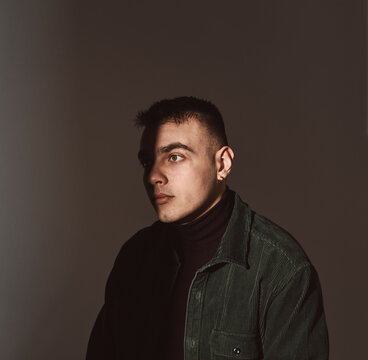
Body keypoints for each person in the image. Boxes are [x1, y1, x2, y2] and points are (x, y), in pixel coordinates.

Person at [86, 96, 329, 359]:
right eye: (147, 162)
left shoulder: (281, 269)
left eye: (175, 157)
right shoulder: (136, 256)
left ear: (222, 164)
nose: (153, 175)